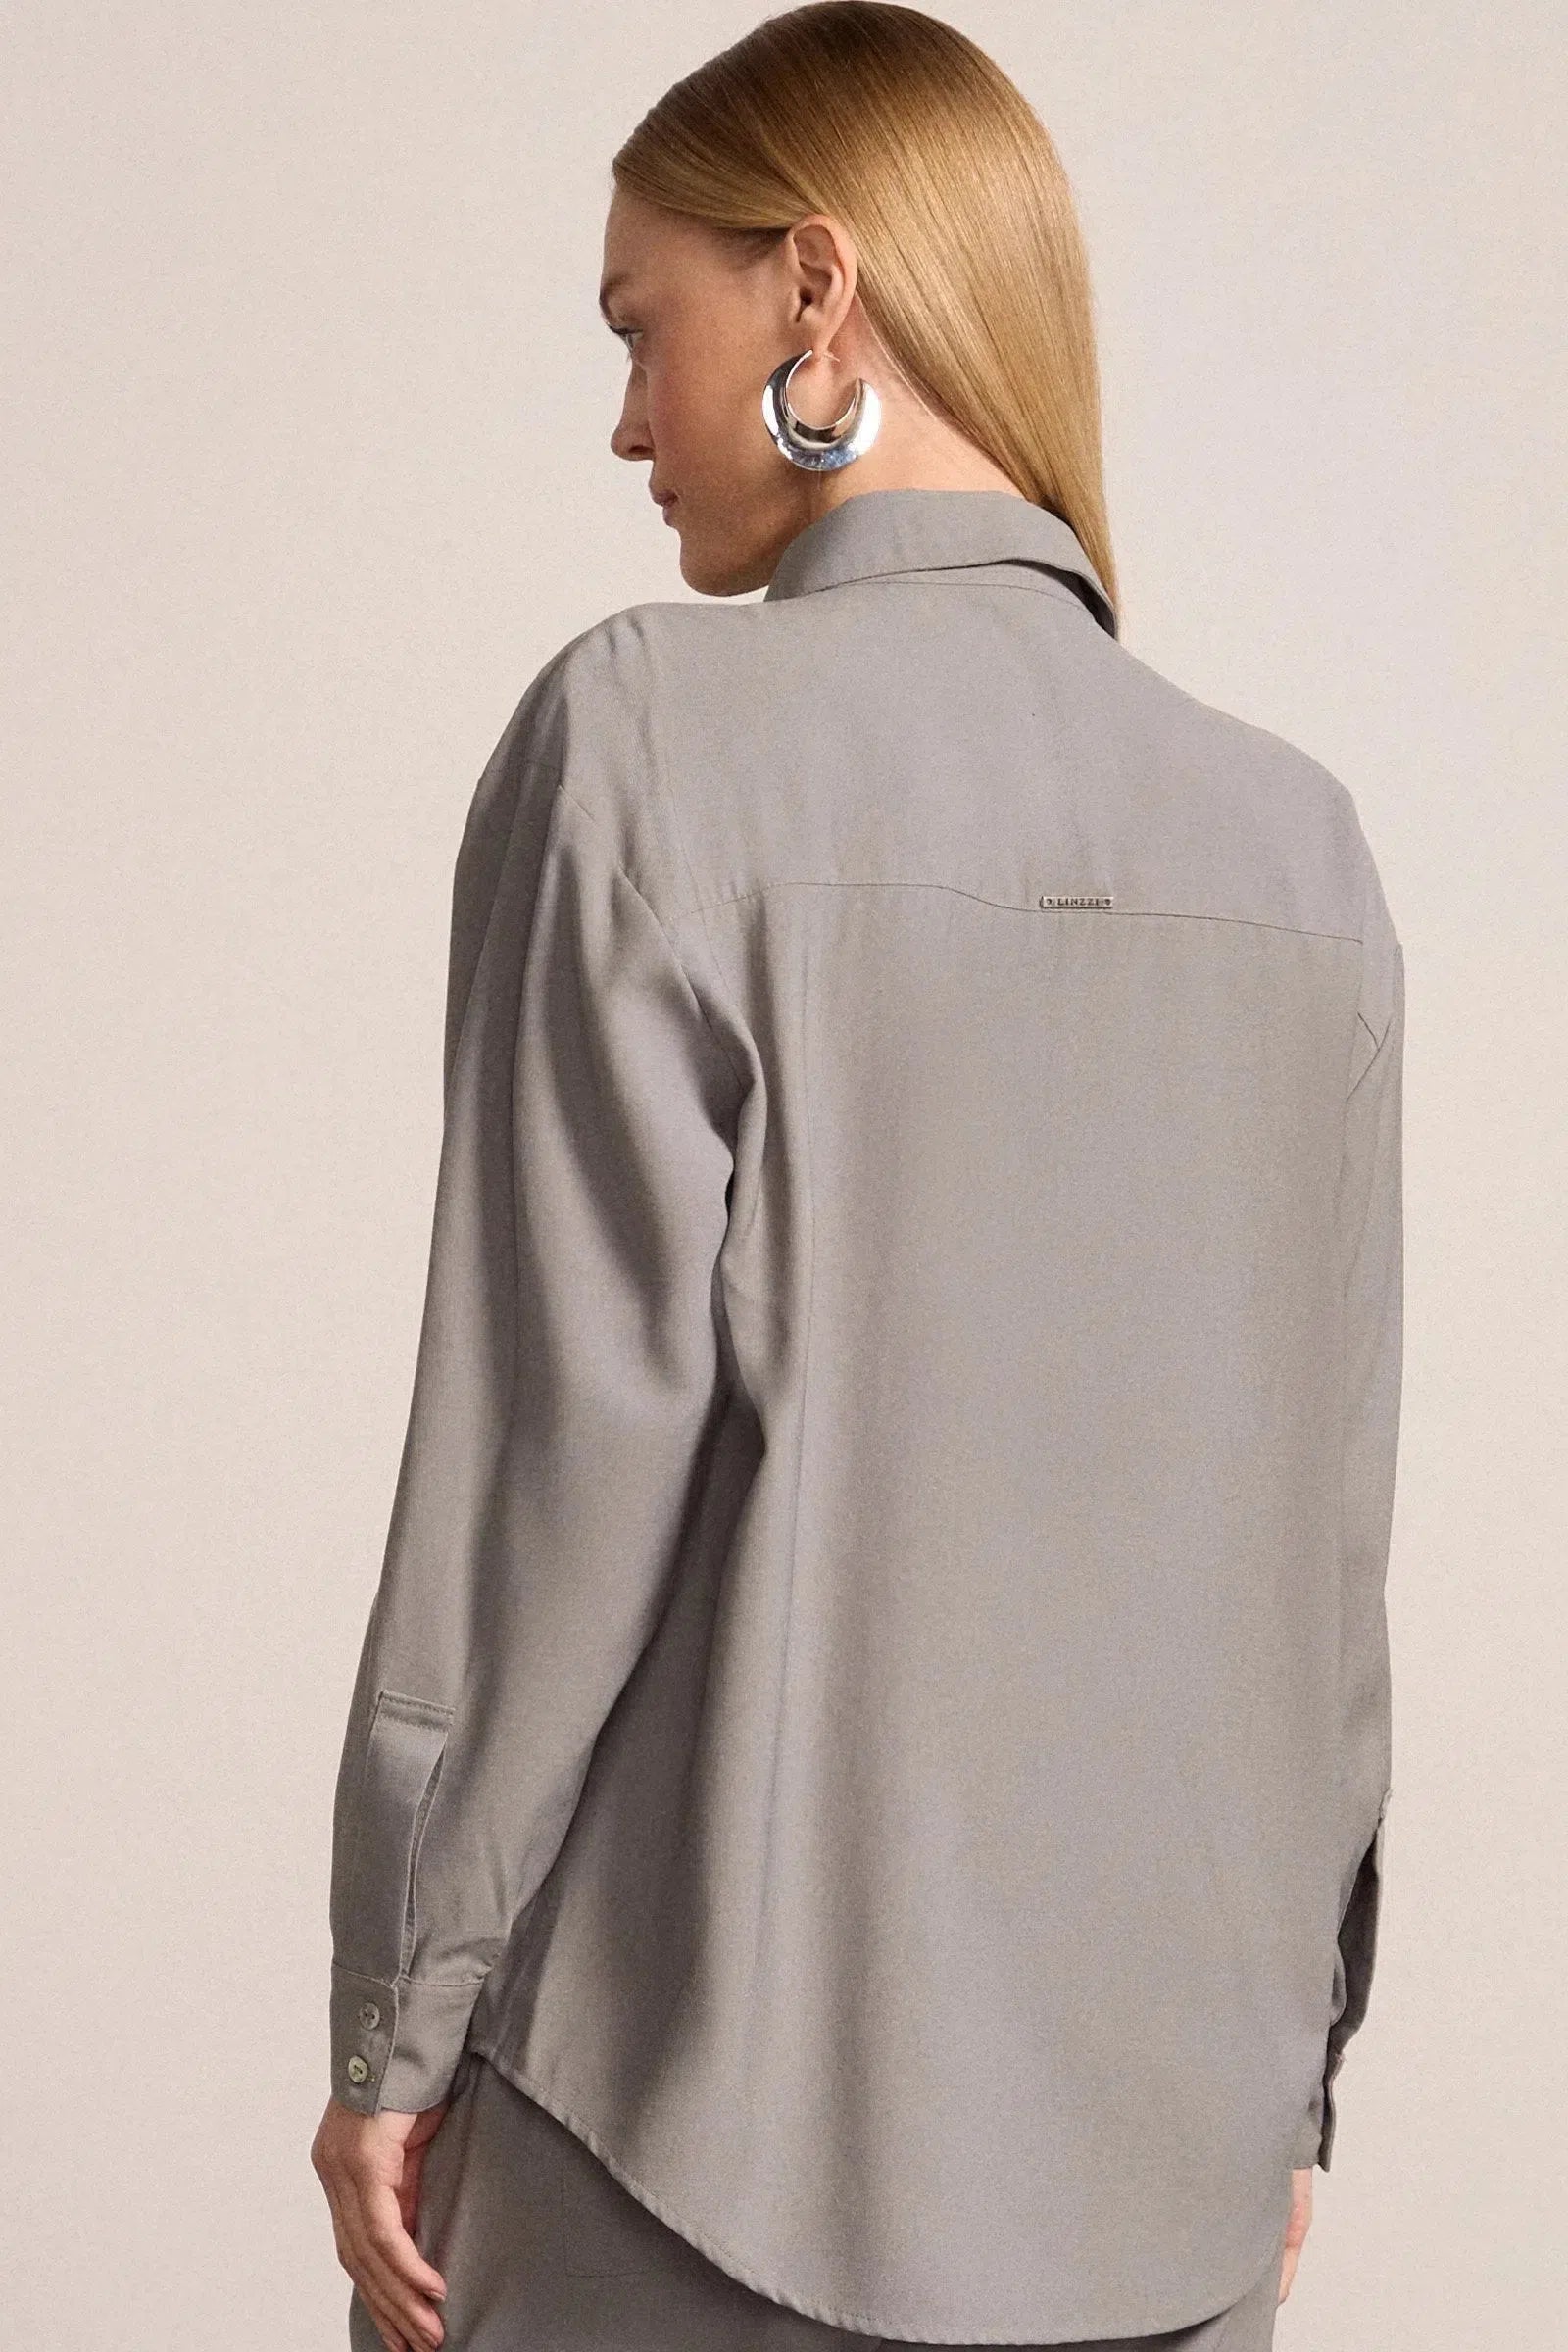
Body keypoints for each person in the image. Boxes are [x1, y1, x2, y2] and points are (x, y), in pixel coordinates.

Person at [310, 7, 1403, 2350]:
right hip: (1177, 2194)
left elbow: (543, 1481)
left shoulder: (649, 740)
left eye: (639, 328)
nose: (625, 422)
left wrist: (397, 2023)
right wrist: (1280, 2087)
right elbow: (1315, 1564)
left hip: (683, 2154)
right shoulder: (1296, 847)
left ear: (815, 287)